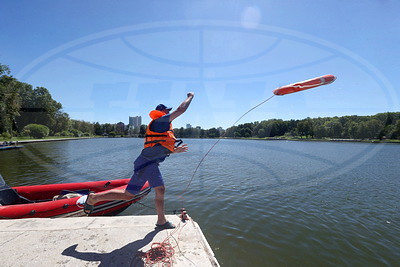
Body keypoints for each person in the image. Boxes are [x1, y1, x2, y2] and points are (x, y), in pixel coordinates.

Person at [84, 92, 195, 229]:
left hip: (147, 162)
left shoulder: (163, 127)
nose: (169, 112)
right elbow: (181, 110)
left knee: (128, 195)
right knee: (160, 189)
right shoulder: (160, 122)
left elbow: (157, 147)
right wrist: (190, 97)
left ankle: (94, 198)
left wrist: (173, 151)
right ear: (161, 112)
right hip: (147, 163)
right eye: (167, 110)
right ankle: (161, 221)